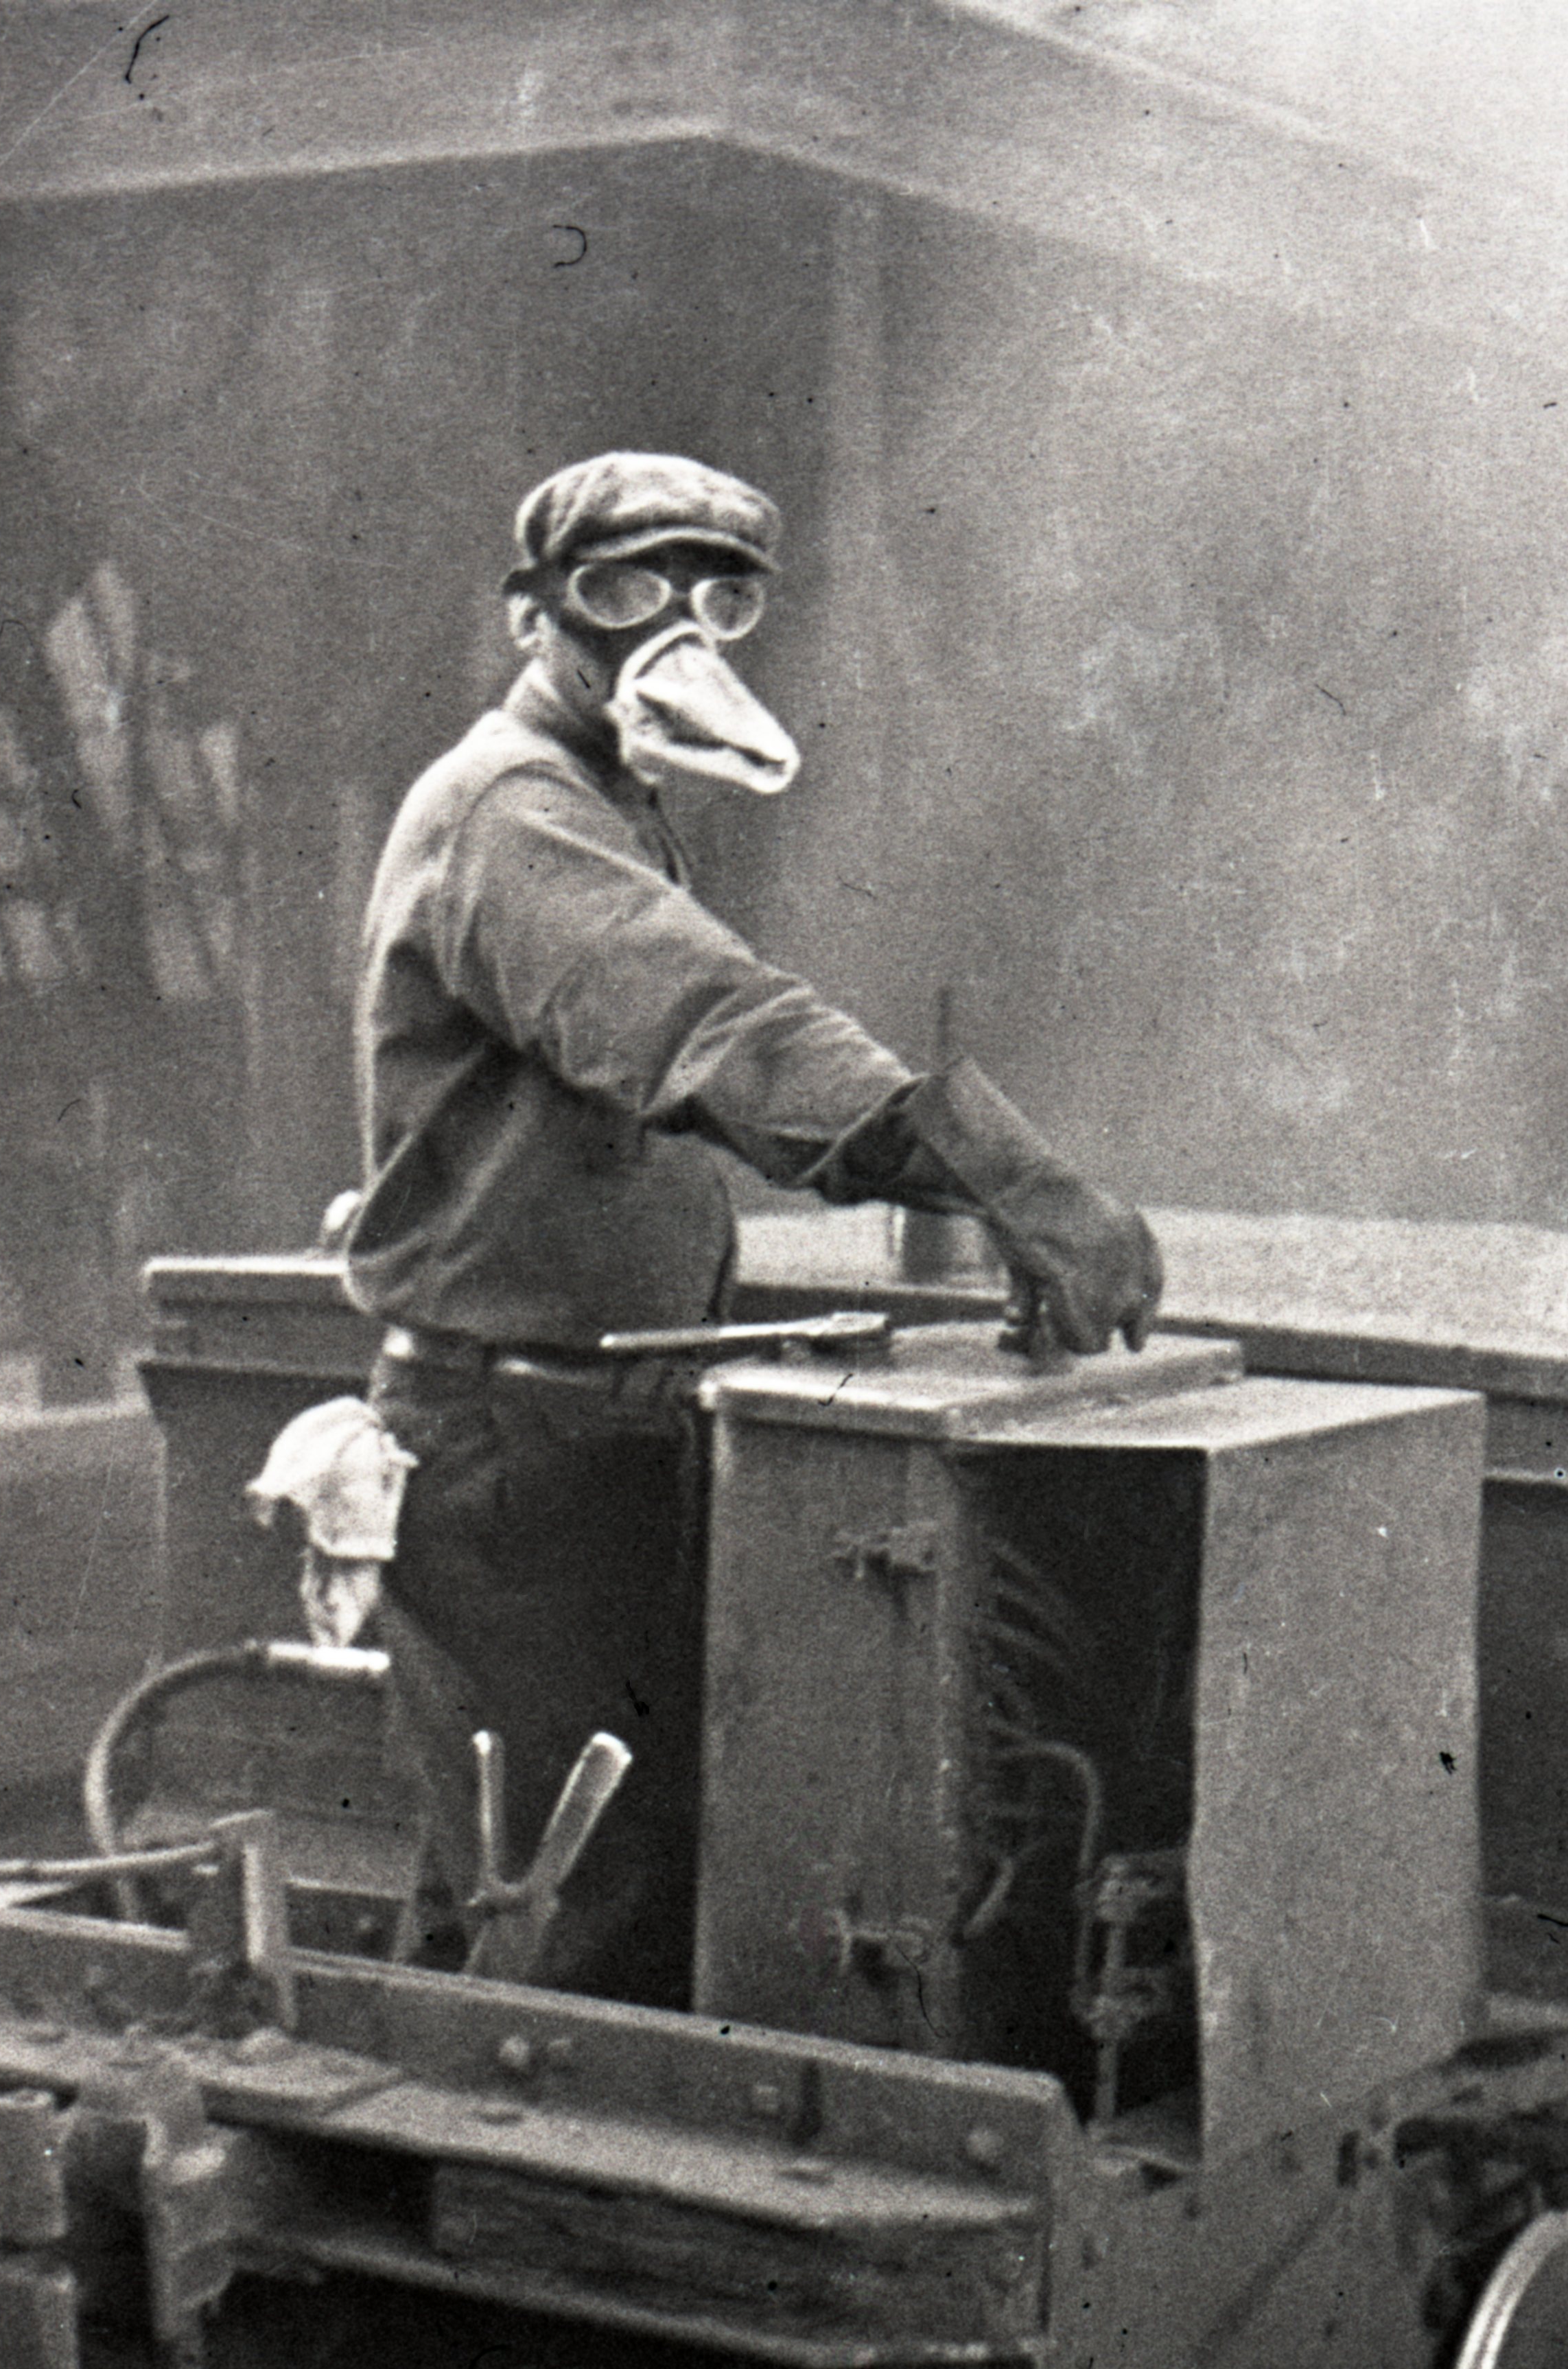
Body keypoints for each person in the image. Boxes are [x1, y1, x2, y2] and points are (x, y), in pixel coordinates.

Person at [341, 451, 1162, 2003]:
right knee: (580, 1899)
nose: (671, 634)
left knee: (560, 1868)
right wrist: (1003, 1171)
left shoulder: (601, 802)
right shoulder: (518, 813)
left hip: (576, 1430)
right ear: (533, 617)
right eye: (619, 592)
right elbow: (711, 1022)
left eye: (714, 599)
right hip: (515, 1453)